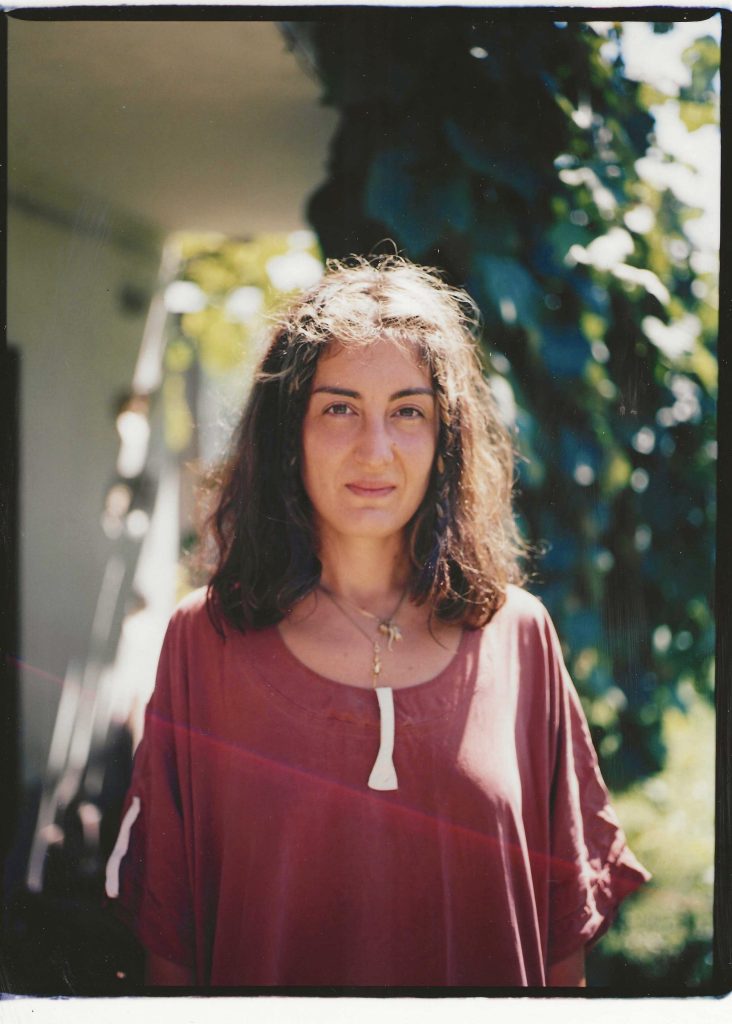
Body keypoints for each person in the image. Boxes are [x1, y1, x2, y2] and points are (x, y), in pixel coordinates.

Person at [105, 255, 649, 988]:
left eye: (407, 411)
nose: (376, 449)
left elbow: (560, 960)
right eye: (339, 408)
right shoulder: (205, 642)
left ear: (446, 436)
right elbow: (170, 956)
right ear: (289, 431)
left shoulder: (520, 636)